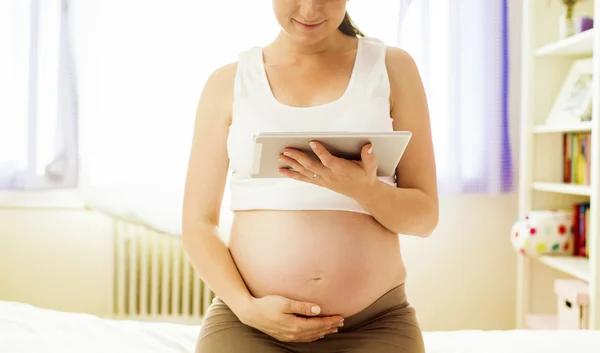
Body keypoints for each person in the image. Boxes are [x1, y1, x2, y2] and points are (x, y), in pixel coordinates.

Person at [182, 1, 438, 352]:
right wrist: (247, 309)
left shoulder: (392, 67)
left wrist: (365, 190)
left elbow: (424, 218)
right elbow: (198, 223)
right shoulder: (228, 81)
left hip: (375, 324)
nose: (310, 9)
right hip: (252, 326)